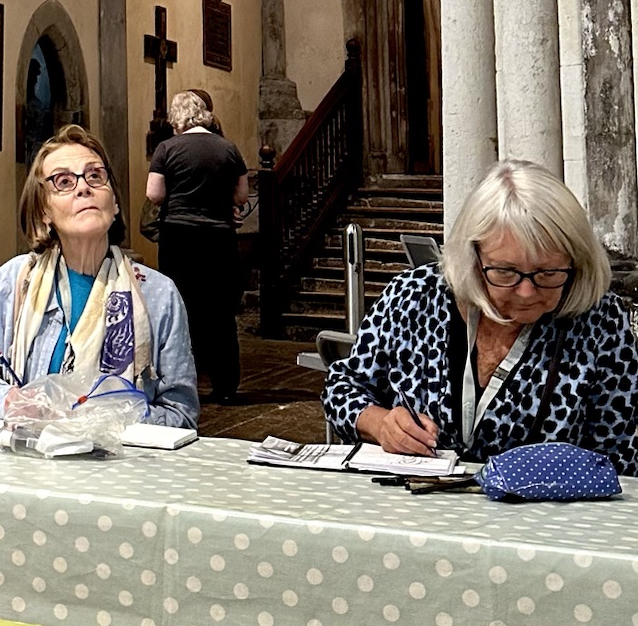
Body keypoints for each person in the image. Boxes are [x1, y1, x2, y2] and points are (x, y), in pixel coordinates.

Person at [324, 158, 638, 470]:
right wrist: (380, 424)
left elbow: (622, 456)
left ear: (576, 261)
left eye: (548, 273)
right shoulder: (415, 297)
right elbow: (342, 387)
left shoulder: (599, 321)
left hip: (541, 502)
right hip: (410, 497)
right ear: (473, 257)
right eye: (505, 272)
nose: (526, 292)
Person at [0, 124, 199, 427]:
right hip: (28, 452)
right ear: (44, 210)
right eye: (64, 182)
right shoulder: (14, 281)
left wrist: (110, 419)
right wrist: (15, 402)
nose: (84, 188)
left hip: (119, 456)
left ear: (114, 203)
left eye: (95, 176)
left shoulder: (158, 294)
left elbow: (181, 412)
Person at [145, 90, 249, 403]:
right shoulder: (228, 148)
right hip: (219, 237)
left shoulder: (167, 148)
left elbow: (154, 194)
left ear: (178, 118)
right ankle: (226, 386)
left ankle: (182, 381)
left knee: (181, 306)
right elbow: (241, 195)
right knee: (221, 310)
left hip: (179, 237)